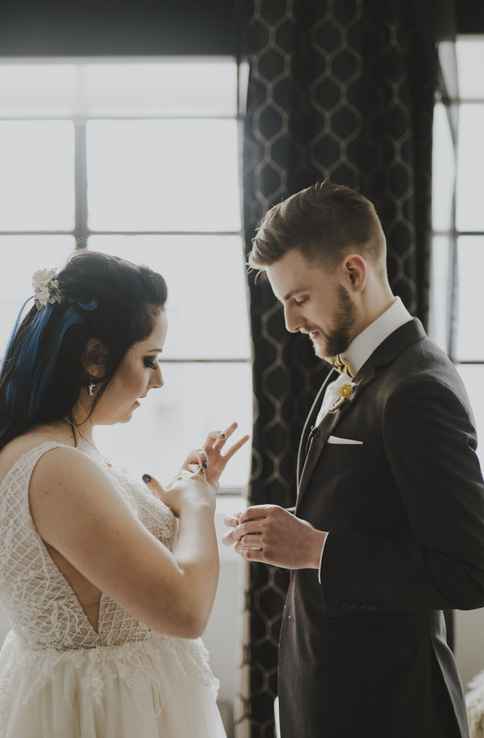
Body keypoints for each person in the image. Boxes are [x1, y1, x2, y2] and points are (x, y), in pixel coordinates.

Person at [224, 180, 484, 738]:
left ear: (352, 272)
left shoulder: (417, 387)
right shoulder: (353, 366)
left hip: (388, 712)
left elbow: (470, 571)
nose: (291, 324)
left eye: (299, 299)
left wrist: (315, 549)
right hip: (324, 699)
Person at [0, 249, 249, 738]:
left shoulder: (69, 452)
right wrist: (197, 503)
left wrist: (183, 491)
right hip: (106, 717)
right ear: (95, 358)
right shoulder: (56, 466)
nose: (159, 380)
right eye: (149, 359)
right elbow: (184, 610)